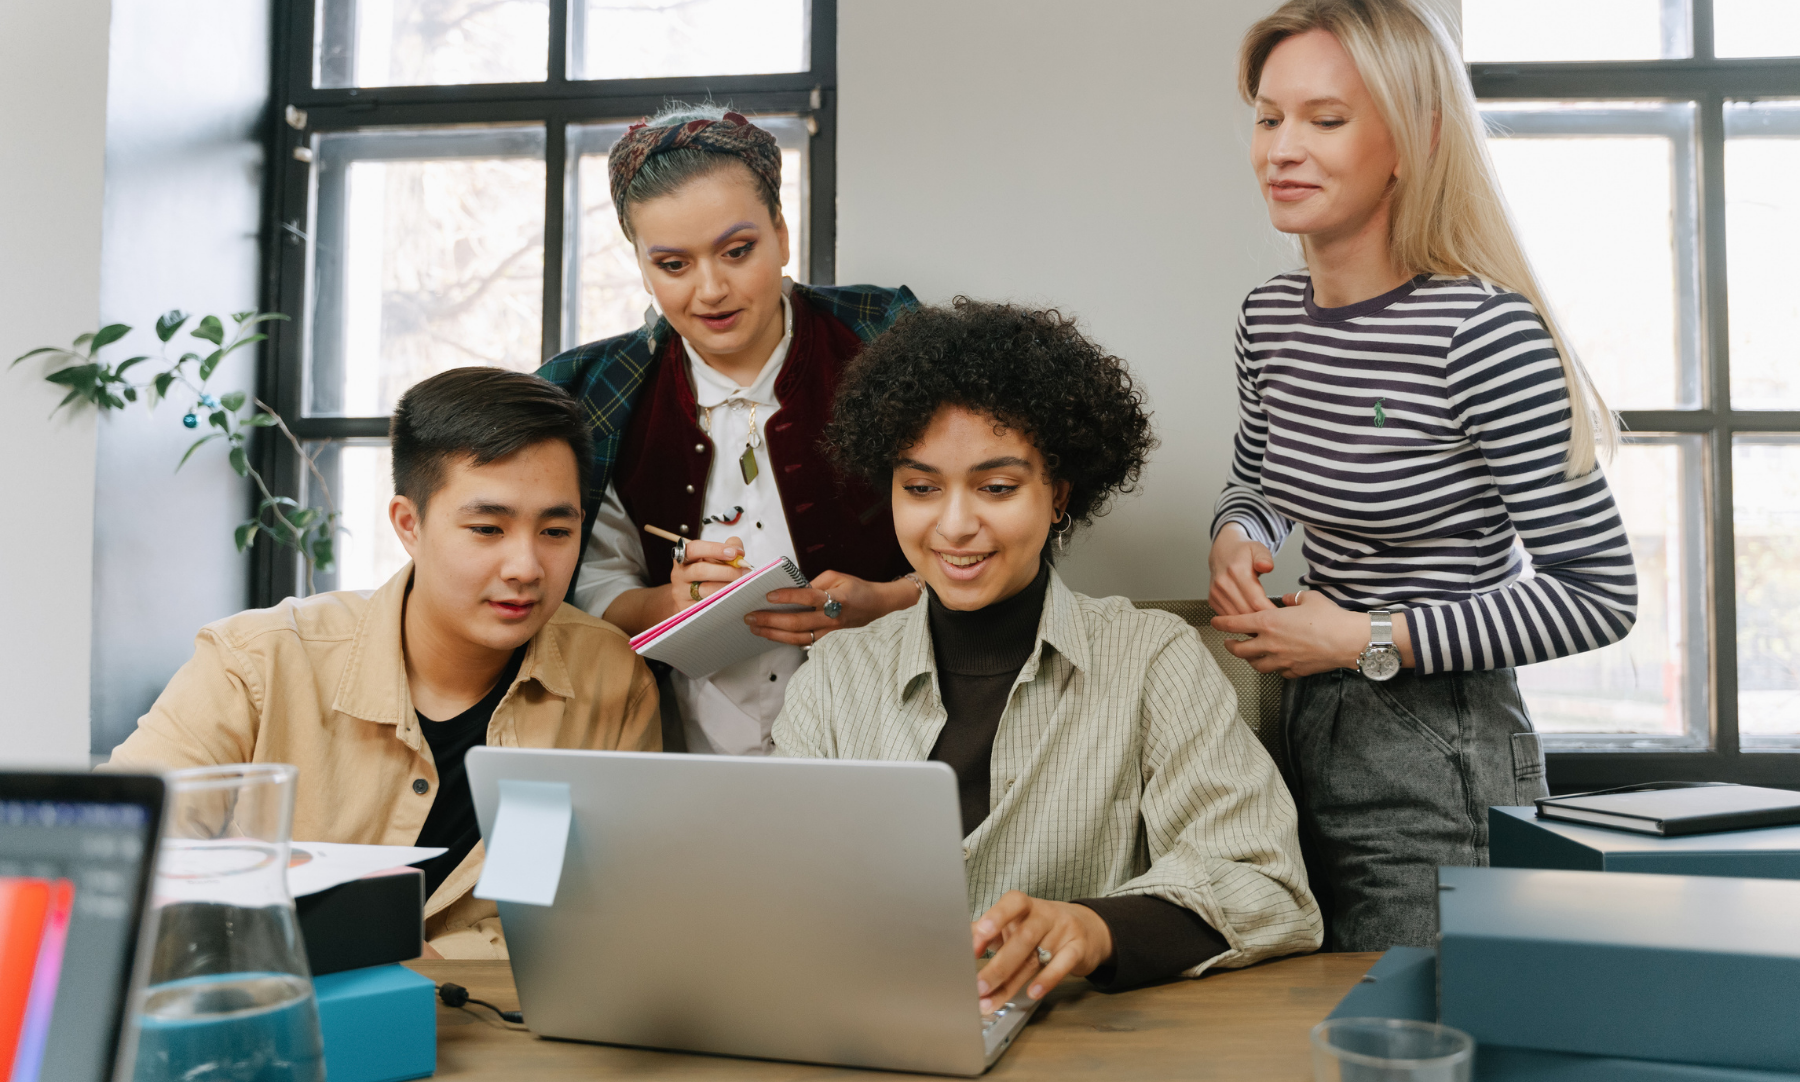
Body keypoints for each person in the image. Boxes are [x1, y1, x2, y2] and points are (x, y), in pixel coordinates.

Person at [1207, 0, 1639, 951]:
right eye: (1269, 117)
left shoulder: (1482, 335)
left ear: (1411, 137)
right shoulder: (1270, 317)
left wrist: (1365, 636)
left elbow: (1599, 596)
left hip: (1443, 742)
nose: (1282, 148)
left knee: (1423, 1036)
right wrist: (1239, 534)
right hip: (1304, 724)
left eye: (1326, 119)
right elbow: (1263, 484)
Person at [774, 300, 1321, 1013]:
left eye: (997, 488)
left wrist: (1091, 929)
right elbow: (778, 893)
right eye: (920, 488)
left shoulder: (1151, 660)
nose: (956, 524)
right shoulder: (836, 678)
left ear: (1058, 494)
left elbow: (1270, 888)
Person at [104, 367, 660, 958]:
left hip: (504, 1029)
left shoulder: (609, 679)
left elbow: (608, 912)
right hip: (285, 1015)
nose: (526, 566)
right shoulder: (257, 664)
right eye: (487, 528)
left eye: (555, 530)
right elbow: (115, 858)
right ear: (408, 524)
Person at [538, 102, 919, 757]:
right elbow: (590, 582)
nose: (710, 289)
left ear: (781, 232)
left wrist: (883, 604)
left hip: (894, 734)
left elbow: (990, 532)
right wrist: (665, 602)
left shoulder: (887, 341)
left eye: (737, 251)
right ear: (641, 263)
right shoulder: (596, 391)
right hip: (686, 749)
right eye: (673, 265)